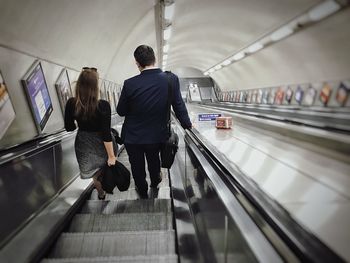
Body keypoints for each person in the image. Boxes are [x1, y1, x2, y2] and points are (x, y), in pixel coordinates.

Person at [117, 45, 192, 199]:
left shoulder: (129, 83)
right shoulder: (171, 79)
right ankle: (155, 181)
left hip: (133, 136)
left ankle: (142, 188)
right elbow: (179, 105)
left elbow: (121, 111)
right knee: (154, 160)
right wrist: (188, 125)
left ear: (137, 63)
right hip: (157, 135)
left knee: (136, 165)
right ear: (155, 59)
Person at [64, 67, 117, 200]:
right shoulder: (103, 105)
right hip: (101, 143)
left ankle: (100, 193)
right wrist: (111, 156)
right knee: (104, 167)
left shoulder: (71, 103)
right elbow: (106, 133)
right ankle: (107, 186)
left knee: (94, 172)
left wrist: (79, 121)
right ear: (95, 86)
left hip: (83, 143)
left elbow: (69, 127)